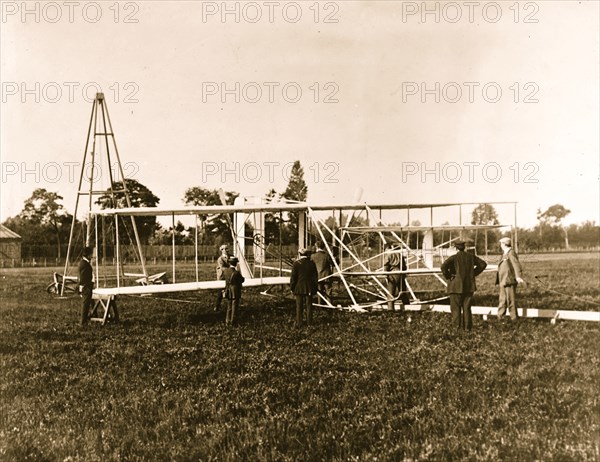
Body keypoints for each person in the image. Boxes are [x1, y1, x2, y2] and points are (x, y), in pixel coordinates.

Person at [440, 239, 487, 331]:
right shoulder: (471, 256)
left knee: (455, 308)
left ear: (456, 249)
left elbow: (443, 267)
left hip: (455, 286)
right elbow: (483, 264)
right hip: (469, 286)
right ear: (464, 247)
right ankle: (467, 328)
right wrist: (473, 273)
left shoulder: (453, 258)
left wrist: (448, 276)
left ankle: (456, 329)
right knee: (467, 308)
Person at [496, 237, 524, 321]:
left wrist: (518, 277)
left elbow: (516, 265)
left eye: (501, 243)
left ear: (504, 244)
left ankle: (514, 318)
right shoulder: (505, 253)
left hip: (509, 280)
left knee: (511, 301)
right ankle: (500, 317)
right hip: (503, 281)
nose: (500, 245)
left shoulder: (511, 253)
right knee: (502, 300)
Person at [290, 248, 318, 327]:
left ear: (299, 254)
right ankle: (310, 323)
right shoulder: (312, 263)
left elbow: (293, 278)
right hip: (309, 287)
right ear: (307, 254)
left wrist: (292, 287)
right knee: (309, 305)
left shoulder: (296, 264)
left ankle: (299, 323)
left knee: (299, 306)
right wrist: (315, 288)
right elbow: (315, 277)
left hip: (298, 288)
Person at [383, 244, 410, 312]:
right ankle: (407, 305)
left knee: (390, 292)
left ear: (386, 249)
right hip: (401, 273)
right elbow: (404, 266)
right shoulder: (399, 254)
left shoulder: (388, 255)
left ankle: (390, 309)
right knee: (402, 290)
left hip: (393, 273)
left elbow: (386, 265)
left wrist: (386, 274)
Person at [222, 256, 244, 326]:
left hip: (228, 290)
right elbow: (242, 280)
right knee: (234, 306)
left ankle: (227, 321)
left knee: (229, 306)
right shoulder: (236, 273)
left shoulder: (225, 271)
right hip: (235, 291)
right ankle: (233, 322)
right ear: (235, 264)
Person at [78, 246, 94, 326]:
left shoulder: (84, 263)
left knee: (89, 303)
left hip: (87, 286)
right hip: (86, 286)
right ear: (88, 255)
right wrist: (84, 287)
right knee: (85, 304)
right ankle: (83, 322)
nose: (92, 256)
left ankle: (92, 316)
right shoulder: (84, 264)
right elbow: (83, 278)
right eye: (91, 254)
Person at [214, 244, 231, 311]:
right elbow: (222, 267)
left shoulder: (230, 256)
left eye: (227, 248)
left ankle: (230, 307)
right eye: (225, 249)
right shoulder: (220, 259)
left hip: (228, 276)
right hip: (222, 277)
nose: (227, 250)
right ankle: (217, 306)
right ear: (222, 250)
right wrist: (230, 269)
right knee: (220, 293)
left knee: (230, 291)